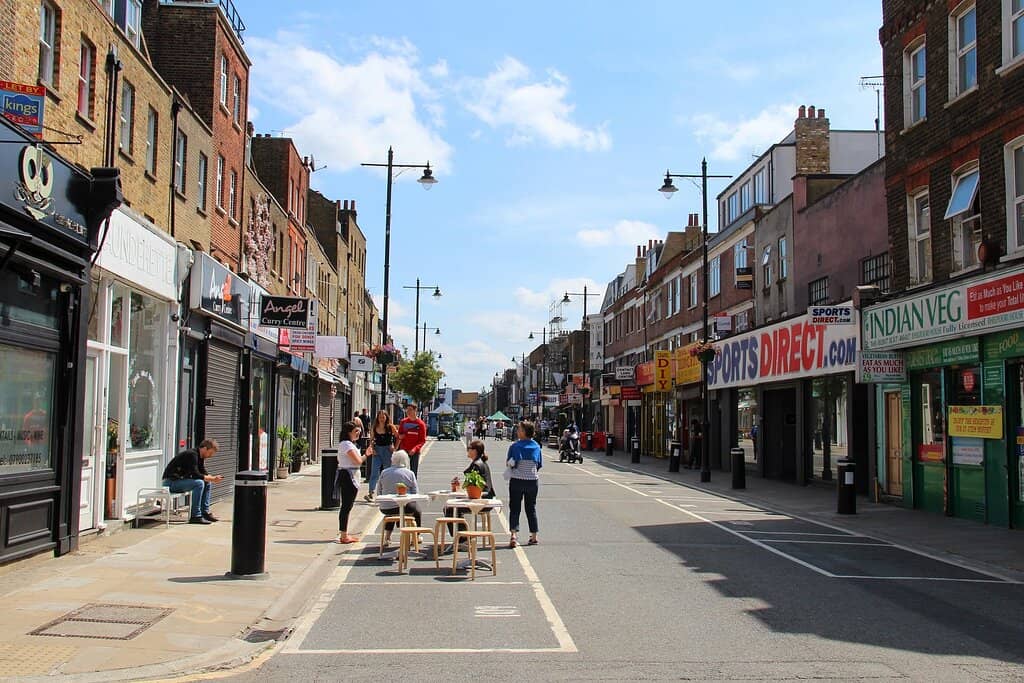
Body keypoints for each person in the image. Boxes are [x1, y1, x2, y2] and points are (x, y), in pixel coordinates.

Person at [161, 439, 224, 524]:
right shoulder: (192, 455)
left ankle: (204, 512)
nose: (211, 456)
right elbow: (195, 474)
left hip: (178, 481)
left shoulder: (199, 456)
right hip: (170, 483)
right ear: (205, 448)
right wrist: (212, 478)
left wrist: (212, 478)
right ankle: (195, 515)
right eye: (210, 453)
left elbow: (202, 471)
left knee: (206, 482)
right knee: (199, 483)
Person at [444, 439, 495, 538]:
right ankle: (462, 537)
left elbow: (474, 486)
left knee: (450, 509)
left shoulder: (477, 465)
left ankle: (463, 539)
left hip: (481, 500)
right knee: (452, 507)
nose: (467, 451)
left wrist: (460, 489)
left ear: (475, 451)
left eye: (469, 449)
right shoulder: (481, 462)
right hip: (486, 498)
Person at [506, 421, 542, 548]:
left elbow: (510, 463)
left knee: (515, 508)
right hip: (532, 481)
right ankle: (534, 536)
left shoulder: (515, 446)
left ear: (524, 432)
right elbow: (539, 465)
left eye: (519, 429)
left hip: (517, 479)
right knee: (531, 508)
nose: (517, 431)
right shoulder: (537, 446)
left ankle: (514, 535)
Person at [375, 450, 420, 547]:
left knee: (391, 514)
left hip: (385, 507)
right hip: (405, 506)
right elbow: (415, 493)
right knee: (416, 511)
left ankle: (387, 537)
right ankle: (416, 536)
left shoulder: (384, 472)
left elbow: (378, 491)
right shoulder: (410, 473)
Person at [336, 421, 366, 543]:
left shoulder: (350, 444)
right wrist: (366, 455)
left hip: (352, 475)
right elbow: (358, 461)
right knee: (346, 506)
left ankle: (344, 533)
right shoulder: (346, 444)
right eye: (355, 432)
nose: (358, 434)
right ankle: (343, 535)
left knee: (348, 505)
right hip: (348, 476)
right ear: (348, 433)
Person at [364, 409, 398, 502]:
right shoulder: (374, 427)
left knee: (387, 472)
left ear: (386, 417)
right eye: (380, 417)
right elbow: (371, 440)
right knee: (374, 472)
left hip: (388, 451)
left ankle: (387, 492)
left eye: (383, 417)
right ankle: (371, 492)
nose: (382, 419)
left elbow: (398, 437)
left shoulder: (390, 427)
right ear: (377, 418)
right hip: (377, 451)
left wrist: (394, 447)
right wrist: (372, 448)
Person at [397, 403, 427, 476]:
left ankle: (413, 487)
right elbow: (399, 435)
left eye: (410, 410)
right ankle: (402, 487)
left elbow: (422, 440)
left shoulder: (421, 424)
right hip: (403, 451)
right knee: (403, 472)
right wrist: (400, 436)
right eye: (407, 410)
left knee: (413, 473)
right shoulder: (403, 422)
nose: (408, 412)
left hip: (414, 452)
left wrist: (414, 449)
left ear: (415, 410)